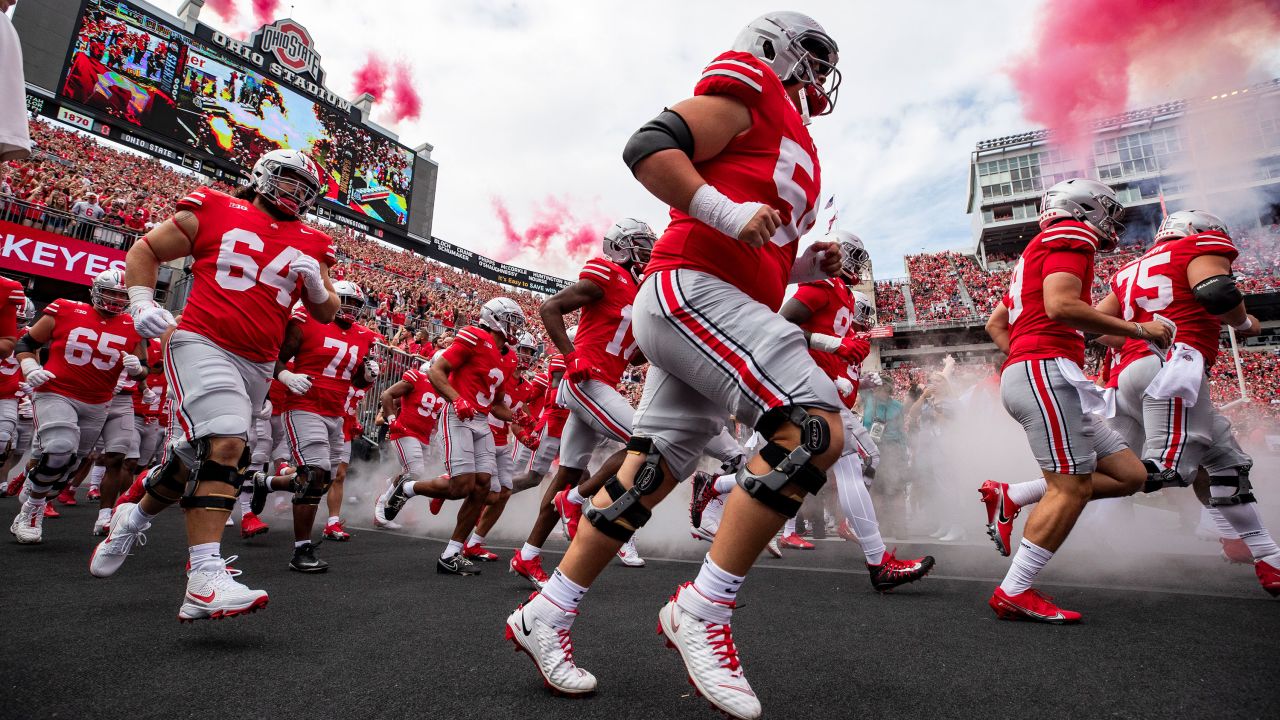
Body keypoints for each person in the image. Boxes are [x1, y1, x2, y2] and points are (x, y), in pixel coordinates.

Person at [505, 13, 845, 717]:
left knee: (653, 466)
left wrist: (797, 262)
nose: (819, 73)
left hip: (707, 295)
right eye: (811, 55)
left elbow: (755, 258)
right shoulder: (752, 84)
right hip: (689, 287)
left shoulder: (791, 131)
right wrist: (723, 212)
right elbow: (649, 146)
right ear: (778, 48)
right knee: (811, 426)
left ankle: (548, 610)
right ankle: (704, 609)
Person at [90, 149, 338, 624]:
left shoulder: (314, 240)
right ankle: (203, 578)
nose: (295, 193)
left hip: (260, 362)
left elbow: (325, 314)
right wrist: (141, 301)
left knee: (191, 461)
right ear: (263, 174)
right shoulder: (214, 205)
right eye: (288, 180)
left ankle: (133, 516)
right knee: (227, 442)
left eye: (305, 188)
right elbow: (146, 249)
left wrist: (320, 288)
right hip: (202, 339)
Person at [980, 178, 1172, 624]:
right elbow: (1062, 307)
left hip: (1041, 370)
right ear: (1083, 208)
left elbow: (996, 324)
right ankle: (1014, 590)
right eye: (1106, 210)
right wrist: (1141, 330)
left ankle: (1013, 495)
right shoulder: (1072, 234)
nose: (1111, 222)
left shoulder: (1037, 247)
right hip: (1046, 372)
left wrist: (1027, 357)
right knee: (1072, 487)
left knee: (1130, 475)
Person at [1099, 209, 1278, 596]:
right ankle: (1025, 493)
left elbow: (1096, 327)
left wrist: (1136, 337)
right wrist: (1246, 324)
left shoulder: (1128, 270)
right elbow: (1217, 292)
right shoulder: (1198, 245)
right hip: (1172, 369)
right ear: (1198, 231)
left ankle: (1265, 557)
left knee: (1225, 463)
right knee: (1170, 470)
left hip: (1130, 375)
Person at [778, 231, 935, 589]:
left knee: (823, 464)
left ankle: (717, 487)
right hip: (808, 386)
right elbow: (780, 324)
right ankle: (877, 560)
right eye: (857, 256)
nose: (860, 265)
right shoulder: (824, 286)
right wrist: (832, 344)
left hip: (819, 389)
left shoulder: (845, 296)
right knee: (850, 462)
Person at [522, 219, 658, 577]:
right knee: (645, 442)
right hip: (587, 380)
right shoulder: (608, 274)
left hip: (602, 383)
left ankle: (528, 554)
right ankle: (577, 501)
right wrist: (571, 354)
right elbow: (550, 307)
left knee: (567, 472)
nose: (648, 250)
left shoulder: (638, 290)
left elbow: (635, 355)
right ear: (621, 247)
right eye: (641, 244)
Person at [378, 297, 523, 576]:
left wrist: (519, 418)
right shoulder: (474, 336)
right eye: (510, 320)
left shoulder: (505, 356)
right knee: (461, 486)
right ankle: (408, 488)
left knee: (483, 489)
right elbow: (436, 371)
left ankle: (451, 553)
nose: (513, 328)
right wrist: (457, 399)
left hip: (481, 421)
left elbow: (496, 403)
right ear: (493, 318)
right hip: (458, 416)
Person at [248, 280, 380, 572]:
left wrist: (366, 378)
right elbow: (274, 358)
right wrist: (285, 378)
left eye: (357, 304)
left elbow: (355, 381)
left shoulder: (364, 336)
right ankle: (301, 549)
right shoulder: (306, 319)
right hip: (305, 406)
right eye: (346, 300)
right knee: (313, 473)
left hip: (336, 412)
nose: (351, 308)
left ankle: (266, 482)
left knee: (323, 481)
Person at [12, 270, 146, 543]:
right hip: (56, 391)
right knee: (60, 449)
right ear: (95, 290)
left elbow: (144, 367)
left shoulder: (134, 325)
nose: (115, 299)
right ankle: (31, 512)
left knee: (70, 466)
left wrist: (137, 369)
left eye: (122, 295)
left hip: (98, 401)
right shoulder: (64, 308)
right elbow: (26, 341)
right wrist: (29, 366)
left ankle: (35, 484)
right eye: (111, 292)